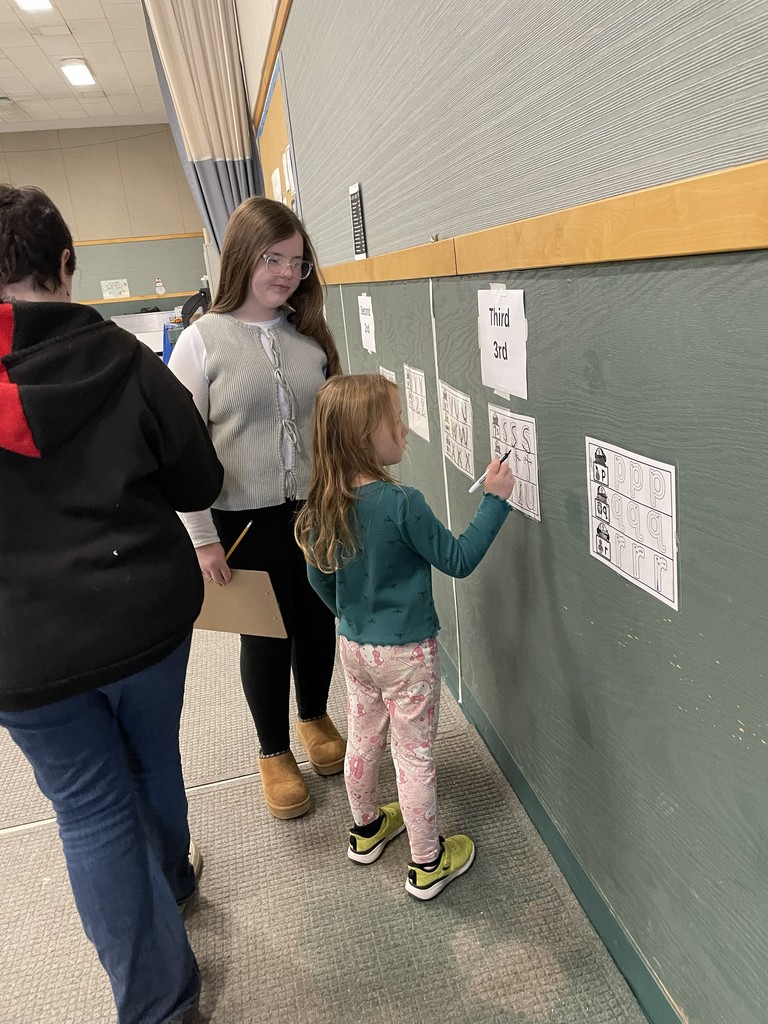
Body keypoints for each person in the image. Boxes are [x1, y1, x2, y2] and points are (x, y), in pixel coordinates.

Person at [0, 184, 224, 1024]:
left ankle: (160, 1006)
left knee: (88, 813)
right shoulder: (127, 360)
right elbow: (199, 480)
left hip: (23, 651)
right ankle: (170, 879)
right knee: (152, 760)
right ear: (65, 264)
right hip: (143, 621)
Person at [295, 374, 516, 900]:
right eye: (396, 420)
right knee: (413, 755)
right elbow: (459, 559)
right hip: (408, 655)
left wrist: (350, 617)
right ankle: (427, 862)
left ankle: (367, 829)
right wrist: (495, 499)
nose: (406, 429)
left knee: (365, 738)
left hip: (354, 648)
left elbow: (317, 579)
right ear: (364, 437)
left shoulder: (320, 504)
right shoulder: (402, 503)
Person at [169, 196, 344, 820]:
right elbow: (180, 450)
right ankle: (274, 753)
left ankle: (315, 718)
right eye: (273, 258)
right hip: (240, 521)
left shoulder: (310, 341)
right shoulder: (200, 343)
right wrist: (200, 538)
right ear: (242, 255)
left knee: (318, 621)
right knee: (267, 636)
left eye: (297, 263)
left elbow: (332, 432)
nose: (285, 274)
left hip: (315, 515)